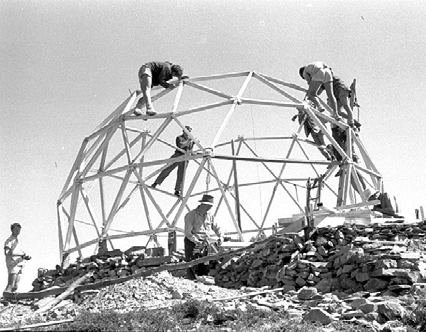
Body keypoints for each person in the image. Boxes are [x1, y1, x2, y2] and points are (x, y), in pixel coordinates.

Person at [184, 194, 223, 280]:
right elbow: (188, 232)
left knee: (205, 262)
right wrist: (197, 242)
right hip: (192, 241)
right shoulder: (191, 215)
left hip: (205, 242)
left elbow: (217, 227)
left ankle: (203, 281)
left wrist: (221, 236)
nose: (209, 208)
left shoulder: (210, 215)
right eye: (208, 206)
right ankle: (192, 281)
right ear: (202, 204)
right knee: (192, 263)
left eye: (210, 206)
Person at [151, 126, 194, 197]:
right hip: (177, 155)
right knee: (167, 169)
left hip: (185, 157)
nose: (188, 133)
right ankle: (156, 183)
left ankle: (177, 190)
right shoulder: (179, 138)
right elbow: (181, 145)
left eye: (189, 131)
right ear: (183, 131)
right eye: (187, 131)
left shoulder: (190, 141)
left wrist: (193, 145)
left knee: (181, 174)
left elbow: (190, 150)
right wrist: (189, 141)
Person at [4, 223, 31, 293]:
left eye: (19, 230)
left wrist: (25, 256)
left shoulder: (18, 241)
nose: (17, 231)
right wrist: (20, 255)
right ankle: (5, 297)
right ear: (12, 230)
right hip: (13, 263)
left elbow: (21, 252)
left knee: (16, 285)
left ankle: (12, 299)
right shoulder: (9, 241)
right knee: (11, 284)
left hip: (20, 263)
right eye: (16, 229)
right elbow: (7, 253)